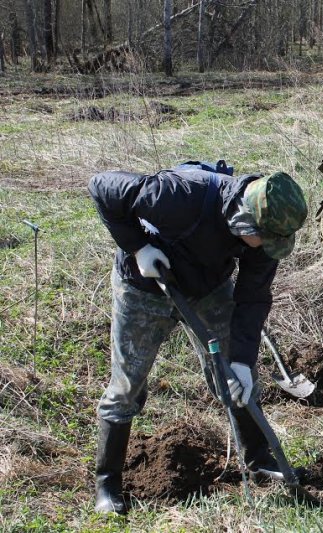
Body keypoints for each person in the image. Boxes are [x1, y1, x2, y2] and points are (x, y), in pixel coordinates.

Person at [88, 163, 308, 514]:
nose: (267, 247)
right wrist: (138, 246)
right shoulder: (177, 195)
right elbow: (102, 186)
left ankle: (258, 458)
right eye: (264, 238)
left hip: (208, 288)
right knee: (128, 382)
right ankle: (107, 481)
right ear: (244, 221)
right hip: (143, 287)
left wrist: (242, 359)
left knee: (236, 377)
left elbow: (252, 300)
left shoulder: (264, 241)